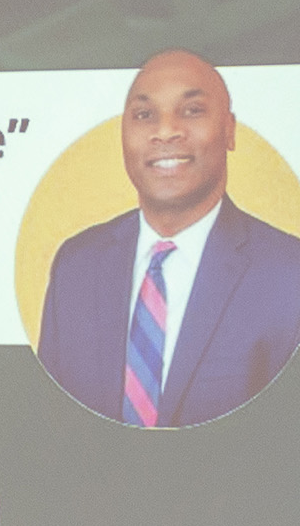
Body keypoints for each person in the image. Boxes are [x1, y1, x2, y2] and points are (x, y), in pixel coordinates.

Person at [37, 50, 300, 427]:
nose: (165, 132)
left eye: (192, 110)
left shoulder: (289, 273)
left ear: (229, 130)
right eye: (145, 115)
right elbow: (48, 426)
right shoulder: (76, 265)